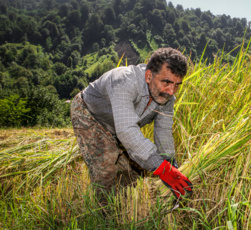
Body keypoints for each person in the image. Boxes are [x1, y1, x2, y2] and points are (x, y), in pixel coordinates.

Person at [71, 47, 193, 205]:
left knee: (133, 175)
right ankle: (103, 219)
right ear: (149, 76)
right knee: (107, 169)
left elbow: (163, 132)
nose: (171, 91)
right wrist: (162, 169)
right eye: (166, 82)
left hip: (118, 124)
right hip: (90, 114)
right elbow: (127, 131)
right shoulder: (124, 81)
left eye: (177, 85)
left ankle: (124, 207)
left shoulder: (167, 98)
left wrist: (169, 164)